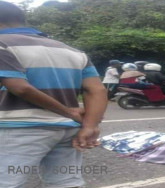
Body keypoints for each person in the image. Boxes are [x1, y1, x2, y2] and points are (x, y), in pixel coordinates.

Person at [0, 2, 107, 187]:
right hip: (67, 130)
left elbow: (20, 87)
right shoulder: (71, 50)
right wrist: (90, 125)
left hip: (20, 128)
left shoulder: (2, 45)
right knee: (65, 181)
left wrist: (69, 112)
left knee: (7, 181)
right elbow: (97, 89)